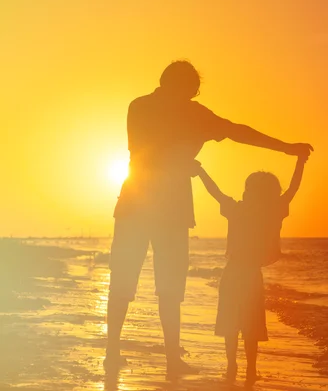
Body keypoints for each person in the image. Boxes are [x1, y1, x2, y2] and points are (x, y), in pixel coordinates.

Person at [104, 60, 313, 375]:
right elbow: (146, 148)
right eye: (188, 91)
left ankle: (169, 356)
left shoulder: (184, 111)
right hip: (146, 204)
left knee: (169, 287)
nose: (189, 97)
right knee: (126, 282)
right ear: (175, 85)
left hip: (157, 206)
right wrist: (182, 158)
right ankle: (115, 352)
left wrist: (285, 148)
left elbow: (237, 131)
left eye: (192, 93)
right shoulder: (150, 108)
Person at [192, 154, 308, 386]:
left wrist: (201, 172)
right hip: (252, 275)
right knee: (251, 324)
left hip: (232, 272)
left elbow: (215, 192)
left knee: (230, 323)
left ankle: (231, 365)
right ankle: (251, 369)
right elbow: (293, 189)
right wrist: (300, 162)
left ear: (251, 191)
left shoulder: (237, 209)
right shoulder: (273, 211)